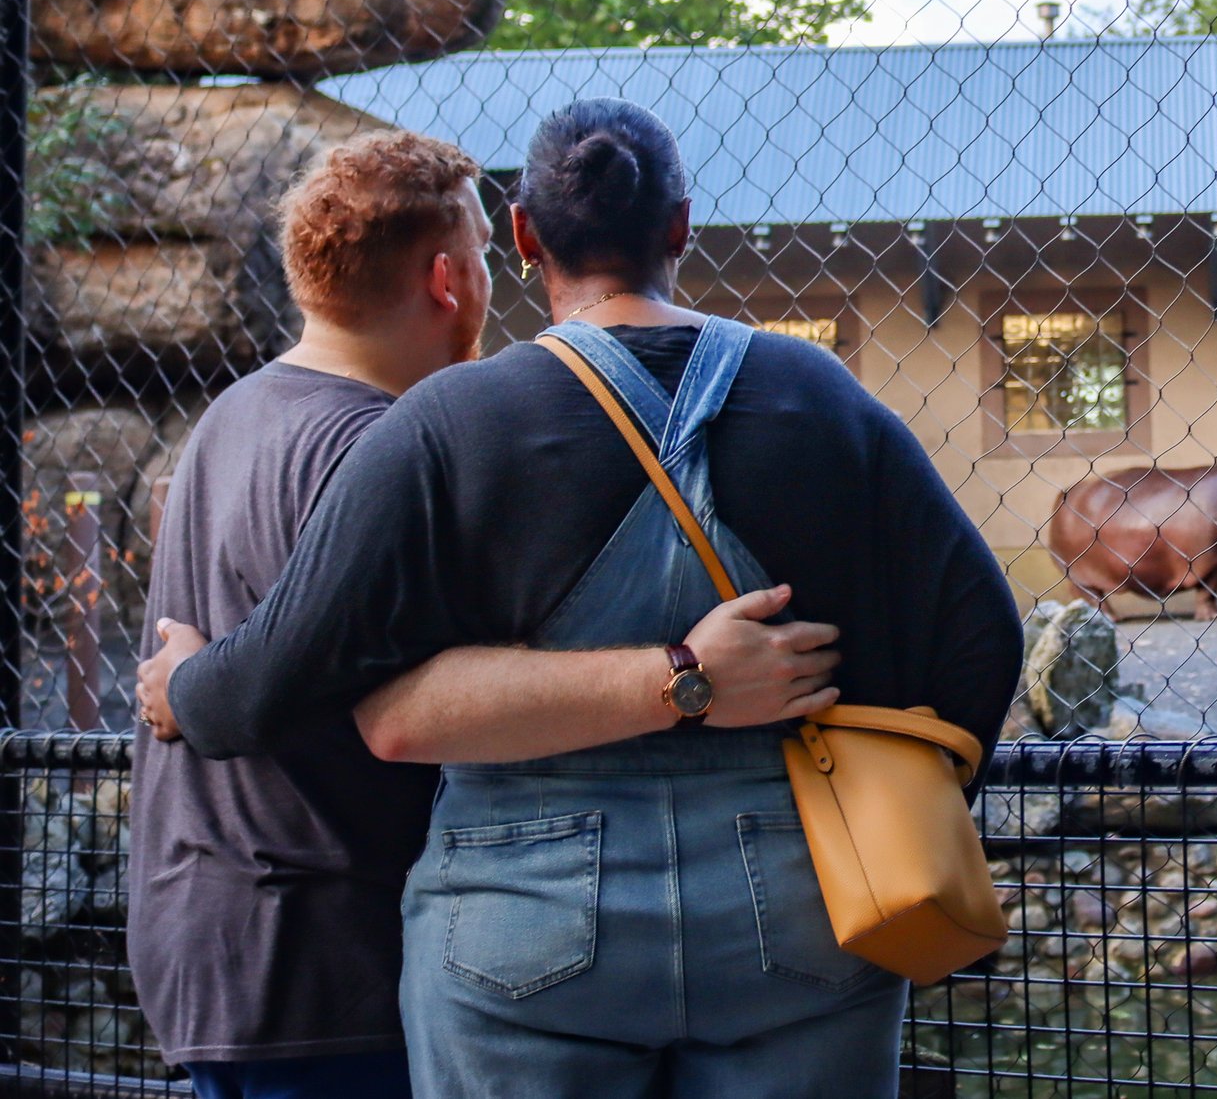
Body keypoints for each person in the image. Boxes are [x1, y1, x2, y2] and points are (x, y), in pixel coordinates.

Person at [155, 99, 1025, 1099]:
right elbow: (981, 637)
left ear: (525, 235)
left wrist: (186, 680)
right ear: (681, 226)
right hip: (798, 903)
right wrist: (877, 798)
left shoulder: (452, 422)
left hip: (519, 921)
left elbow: (257, 689)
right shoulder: (817, 393)